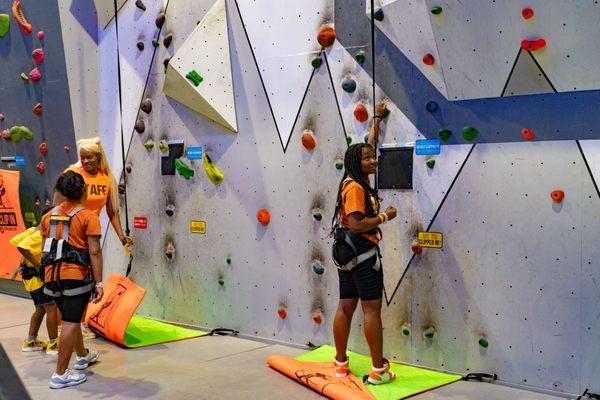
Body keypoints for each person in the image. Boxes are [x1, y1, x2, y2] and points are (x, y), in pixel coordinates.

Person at [330, 102, 397, 385]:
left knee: (346, 305)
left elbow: (367, 144)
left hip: (345, 252)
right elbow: (357, 223)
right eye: (368, 159)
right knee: (371, 310)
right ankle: (378, 371)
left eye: (373, 157)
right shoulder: (356, 188)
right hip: (363, 252)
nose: (373, 160)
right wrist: (384, 216)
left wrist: (377, 120)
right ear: (357, 163)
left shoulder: (350, 179)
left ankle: (340, 364)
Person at [60, 137, 133, 339]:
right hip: (72, 232)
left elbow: (112, 211)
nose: (85, 162)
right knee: (71, 278)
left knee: (89, 278)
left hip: (92, 231)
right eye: (82, 158)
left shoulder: (106, 178)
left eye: (89, 157)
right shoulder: (73, 174)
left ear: (98, 157)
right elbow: (59, 204)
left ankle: (79, 324)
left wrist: (122, 236)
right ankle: (67, 324)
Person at [41, 171, 104, 389]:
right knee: (70, 322)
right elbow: (94, 252)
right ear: (83, 191)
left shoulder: (47, 216)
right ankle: (60, 374)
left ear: (60, 191)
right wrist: (99, 283)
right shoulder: (89, 217)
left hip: (51, 278)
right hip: (76, 278)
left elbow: (44, 249)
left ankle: (82, 356)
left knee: (71, 317)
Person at [9, 207, 59, 355]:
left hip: (29, 280)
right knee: (51, 308)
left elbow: (16, 240)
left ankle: (31, 341)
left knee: (40, 309)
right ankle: (53, 344)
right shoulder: (38, 235)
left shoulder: (32, 231)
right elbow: (21, 246)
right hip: (37, 280)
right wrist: (38, 265)